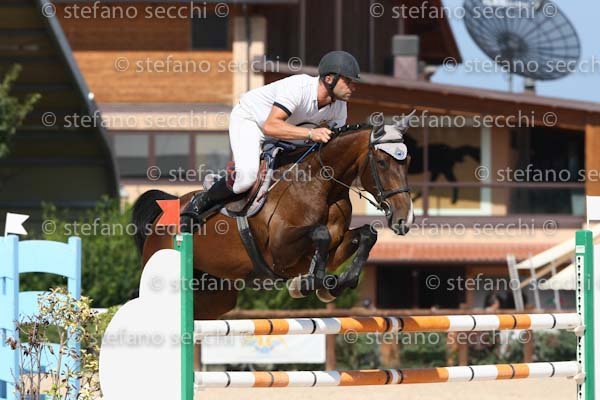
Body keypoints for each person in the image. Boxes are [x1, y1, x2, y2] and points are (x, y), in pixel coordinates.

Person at [182, 50, 360, 218]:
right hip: (252, 121)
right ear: (329, 79)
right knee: (246, 179)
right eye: (348, 81)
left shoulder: (340, 106)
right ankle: (202, 201)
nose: (353, 87)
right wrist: (311, 133)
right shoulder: (299, 87)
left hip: (286, 132)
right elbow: (270, 126)